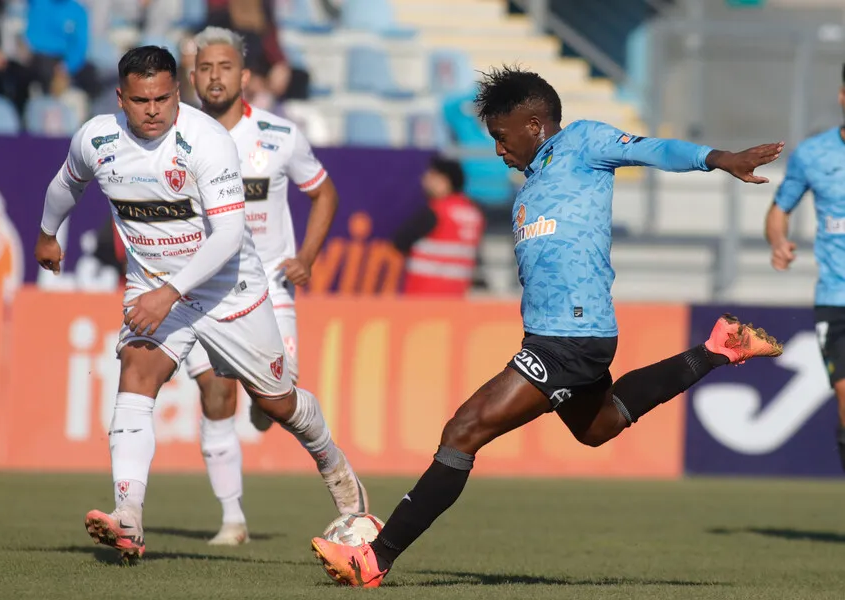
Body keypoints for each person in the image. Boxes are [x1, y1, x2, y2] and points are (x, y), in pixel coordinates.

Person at [310, 65, 786, 587]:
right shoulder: (534, 183)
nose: (497, 150)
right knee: (598, 426)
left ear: (535, 124)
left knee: (463, 430)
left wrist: (719, 159)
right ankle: (717, 349)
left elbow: (654, 149)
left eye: (501, 135)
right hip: (553, 336)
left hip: (572, 337)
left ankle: (374, 559)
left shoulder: (584, 142)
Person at [34, 45, 366, 562]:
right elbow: (65, 184)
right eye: (141, 100)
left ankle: (335, 465)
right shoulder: (96, 139)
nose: (153, 110)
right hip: (154, 285)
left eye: (163, 98)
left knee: (277, 402)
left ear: (177, 93)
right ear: (121, 98)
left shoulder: (205, 141)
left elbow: (229, 234)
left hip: (228, 289)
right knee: (137, 373)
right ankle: (129, 515)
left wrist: (169, 294)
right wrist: (47, 233)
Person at [184, 26, 346, 545]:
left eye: (224, 67)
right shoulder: (176, 138)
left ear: (245, 76)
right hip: (202, 289)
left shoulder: (279, 135)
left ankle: (266, 398)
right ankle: (232, 520)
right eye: (205, 68)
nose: (215, 77)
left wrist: (306, 257)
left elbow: (324, 194)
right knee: (214, 391)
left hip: (270, 284)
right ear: (192, 76)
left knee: (278, 397)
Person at [765, 63, 845, 472]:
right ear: (842, 96)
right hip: (837, 299)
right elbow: (780, 210)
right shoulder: (814, 154)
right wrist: (779, 241)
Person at [392, 155, 485, 296]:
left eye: (431, 176)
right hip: (456, 296)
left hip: (423, 295)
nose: (425, 180)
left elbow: (400, 241)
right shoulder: (474, 213)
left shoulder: (436, 212)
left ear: (444, 181)